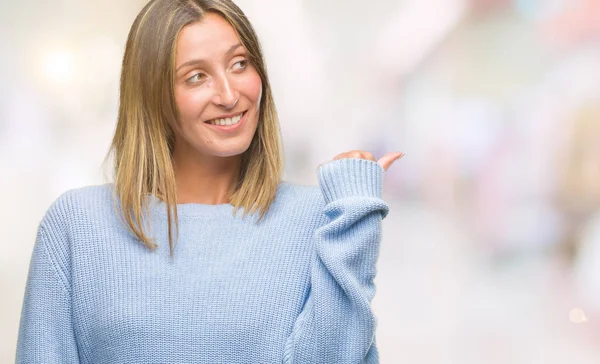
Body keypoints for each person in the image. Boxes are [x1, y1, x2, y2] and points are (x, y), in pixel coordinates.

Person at [14, 0, 403, 363]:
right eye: (197, 77)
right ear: (154, 97)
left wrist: (353, 217)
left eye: (239, 64)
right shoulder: (75, 226)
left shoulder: (317, 220)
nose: (230, 94)